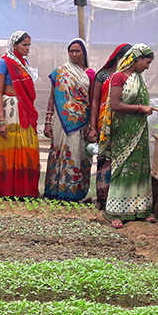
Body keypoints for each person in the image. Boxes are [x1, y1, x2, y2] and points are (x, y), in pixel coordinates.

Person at [99, 43, 156, 228]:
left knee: (140, 167)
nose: (147, 67)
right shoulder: (119, 77)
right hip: (123, 130)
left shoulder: (138, 79)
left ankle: (141, 209)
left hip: (139, 130)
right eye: (147, 62)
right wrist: (141, 109)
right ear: (137, 58)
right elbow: (115, 105)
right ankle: (116, 211)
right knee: (122, 168)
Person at [44, 38, 95, 202]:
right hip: (61, 121)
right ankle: (55, 191)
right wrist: (47, 121)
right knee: (58, 153)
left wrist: (92, 125)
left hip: (82, 121)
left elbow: (93, 99)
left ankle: (73, 192)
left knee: (78, 155)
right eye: (71, 51)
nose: (74, 54)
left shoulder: (90, 74)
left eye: (77, 51)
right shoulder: (60, 72)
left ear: (84, 53)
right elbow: (52, 98)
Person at [0, 31, 41, 198]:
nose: (28, 48)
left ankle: (25, 191)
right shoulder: (4, 63)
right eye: (25, 45)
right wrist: (1, 120)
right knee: (10, 151)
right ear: (15, 46)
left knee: (28, 148)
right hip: (9, 110)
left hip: (25, 110)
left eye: (29, 45)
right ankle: (9, 192)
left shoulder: (25, 64)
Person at [90, 43, 132, 210]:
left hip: (123, 123)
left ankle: (119, 198)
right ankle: (102, 198)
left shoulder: (130, 75)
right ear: (117, 56)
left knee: (121, 162)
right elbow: (95, 101)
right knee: (104, 161)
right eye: (125, 56)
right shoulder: (103, 75)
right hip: (104, 122)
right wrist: (93, 127)